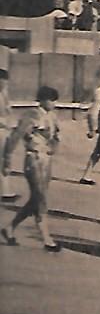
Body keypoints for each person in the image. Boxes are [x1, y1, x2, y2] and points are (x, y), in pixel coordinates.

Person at [1, 85, 62, 250]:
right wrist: (7, 160)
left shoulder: (53, 116)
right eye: (51, 100)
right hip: (33, 158)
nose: (53, 103)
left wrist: (53, 148)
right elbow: (15, 137)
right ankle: (46, 238)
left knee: (36, 199)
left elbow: (56, 136)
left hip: (46, 159)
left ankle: (10, 228)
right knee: (40, 197)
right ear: (42, 100)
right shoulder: (32, 115)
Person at [0, 66, 20, 203]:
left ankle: (5, 191)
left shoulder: (3, 93)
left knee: (4, 160)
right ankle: (5, 193)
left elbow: (8, 111)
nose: (4, 84)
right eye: (3, 81)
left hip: (4, 129)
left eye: (6, 82)